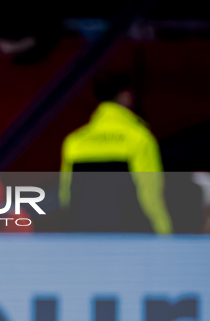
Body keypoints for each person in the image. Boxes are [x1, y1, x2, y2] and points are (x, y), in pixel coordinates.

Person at [59, 72, 173, 234]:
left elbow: (66, 197)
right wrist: (164, 231)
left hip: (86, 236)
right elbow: (150, 194)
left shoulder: (74, 141)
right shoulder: (138, 138)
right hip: (127, 235)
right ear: (125, 95)